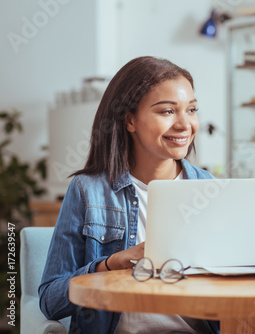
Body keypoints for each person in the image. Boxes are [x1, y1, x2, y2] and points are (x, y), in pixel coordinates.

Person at [39, 56, 218, 334]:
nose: (185, 124)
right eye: (167, 111)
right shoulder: (89, 191)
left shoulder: (209, 188)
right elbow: (51, 301)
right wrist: (110, 265)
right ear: (130, 120)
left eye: (191, 109)